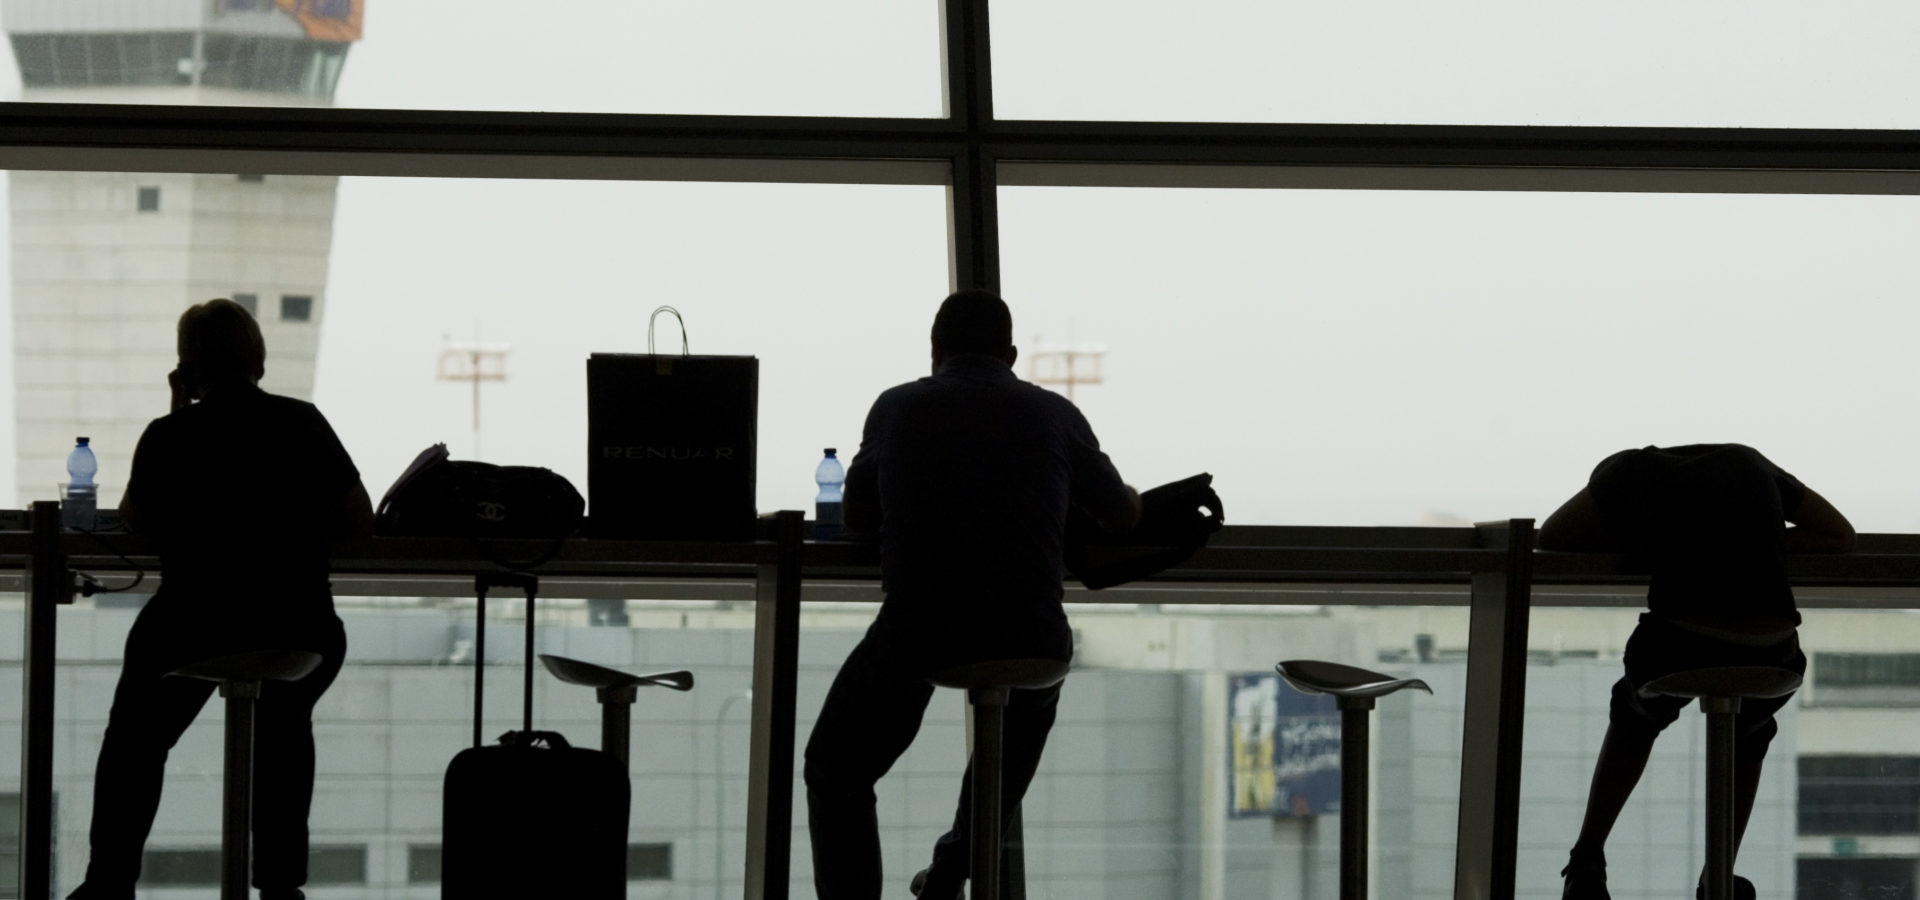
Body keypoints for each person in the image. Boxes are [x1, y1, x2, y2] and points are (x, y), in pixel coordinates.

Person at [803, 289, 1141, 900]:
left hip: (921, 628)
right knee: (1026, 710)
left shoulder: (897, 407)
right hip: (1033, 636)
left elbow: (856, 517)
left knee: (837, 766)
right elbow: (1121, 516)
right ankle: (952, 872)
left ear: (935, 350)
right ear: (1011, 354)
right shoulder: (1054, 414)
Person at [69, 299, 373, 900]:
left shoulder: (170, 434)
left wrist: (180, 411)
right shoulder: (303, 421)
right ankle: (280, 886)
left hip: (196, 623)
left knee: (136, 739)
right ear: (257, 359)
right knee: (284, 730)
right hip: (298, 624)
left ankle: (108, 882)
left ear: (187, 367)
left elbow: (138, 526)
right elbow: (359, 521)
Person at [1541, 443, 1854, 900]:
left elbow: (1551, 536)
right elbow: (1840, 536)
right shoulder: (1749, 462)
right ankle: (1718, 877)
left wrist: (1660, 543)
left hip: (1680, 643)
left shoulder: (1626, 470)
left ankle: (1588, 859)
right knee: (1752, 728)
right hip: (1772, 652)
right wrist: (1751, 540)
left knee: (1634, 713)